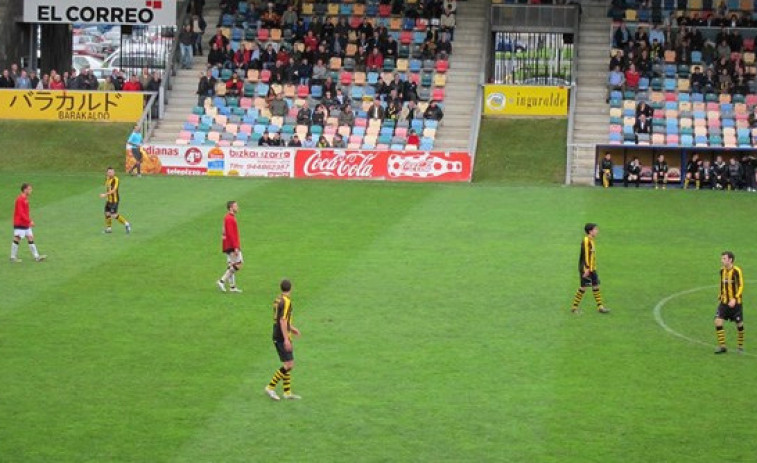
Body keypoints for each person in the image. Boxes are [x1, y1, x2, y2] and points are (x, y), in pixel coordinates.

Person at [264, 279, 302, 400]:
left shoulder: (278, 299)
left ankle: (287, 392)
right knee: (289, 364)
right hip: (281, 335)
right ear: (291, 288)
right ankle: (270, 387)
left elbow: (280, 318)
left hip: (280, 332)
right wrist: (286, 339)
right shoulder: (286, 302)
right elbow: (283, 320)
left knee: (287, 362)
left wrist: (292, 328)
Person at [569, 223, 610, 314]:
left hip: (592, 268)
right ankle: (574, 308)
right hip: (587, 269)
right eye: (596, 229)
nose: (597, 231)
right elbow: (587, 255)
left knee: (595, 286)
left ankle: (600, 307)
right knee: (583, 287)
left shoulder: (591, 240)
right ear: (590, 231)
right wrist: (587, 269)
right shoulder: (587, 240)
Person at [714, 251, 744, 354]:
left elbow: (740, 285)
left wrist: (735, 298)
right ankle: (723, 347)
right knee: (717, 321)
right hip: (724, 302)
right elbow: (722, 284)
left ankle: (740, 346)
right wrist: (720, 295)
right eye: (722, 258)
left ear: (730, 260)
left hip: (736, 303)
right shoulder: (722, 271)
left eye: (724, 259)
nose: (722, 260)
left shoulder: (736, 271)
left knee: (739, 324)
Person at [10, 183, 46, 263]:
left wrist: (28, 221)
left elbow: (25, 212)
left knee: (30, 237)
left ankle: (37, 257)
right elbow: (21, 213)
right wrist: (29, 221)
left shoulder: (25, 198)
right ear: (25, 190)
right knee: (17, 238)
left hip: (25, 223)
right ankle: (13, 257)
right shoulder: (20, 199)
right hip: (20, 223)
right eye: (29, 189)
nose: (31, 191)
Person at [217, 201, 242, 293]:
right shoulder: (229, 219)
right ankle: (222, 281)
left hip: (228, 245)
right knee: (238, 264)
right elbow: (231, 234)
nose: (237, 207)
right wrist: (236, 247)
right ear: (231, 208)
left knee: (231, 265)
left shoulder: (228, 218)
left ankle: (232, 287)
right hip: (231, 245)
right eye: (236, 206)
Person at [99, 167, 131, 235]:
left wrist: (105, 194)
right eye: (109, 172)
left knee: (113, 215)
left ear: (114, 172)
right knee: (107, 213)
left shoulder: (116, 179)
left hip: (114, 201)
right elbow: (107, 186)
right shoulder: (107, 179)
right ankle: (109, 229)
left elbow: (114, 190)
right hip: (108, 200)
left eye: (111, 172)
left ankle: (127, 224)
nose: (110, 173)